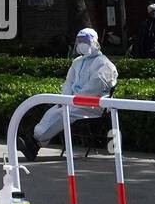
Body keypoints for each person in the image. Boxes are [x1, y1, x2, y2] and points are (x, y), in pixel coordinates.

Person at [18, 27, 118, 160]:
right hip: (73, 102)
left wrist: (72, 100)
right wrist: (66, 99)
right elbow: (68, 83)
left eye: (85, 41)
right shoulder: (77, 62)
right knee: (52, 112)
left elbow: (93, 88)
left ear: (94, 42)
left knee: (62, 114)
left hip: (94, 105)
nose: (82, 44)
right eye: (79, 40)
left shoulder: (105, 64)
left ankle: (34, 144)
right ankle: (34, 143)